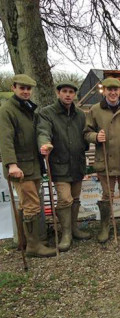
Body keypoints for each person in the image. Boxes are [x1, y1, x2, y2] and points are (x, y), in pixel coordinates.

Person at [0, 74, 56, 257]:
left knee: (27, 204)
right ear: (14, 87)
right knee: (31, 205)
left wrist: (44, 144)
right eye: (22, 88)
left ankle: (24, 241)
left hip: (33, 164)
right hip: (19, 168)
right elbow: (5, 139)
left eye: (28, 88)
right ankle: (34, 246)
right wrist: (11, 164)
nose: (26, 91)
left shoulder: (30, 109)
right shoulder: (7, 110)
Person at [84, 78, 120, 243]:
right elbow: (86, 132)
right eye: (109, 89)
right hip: (105, 160)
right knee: (106, 196)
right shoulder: (95, 110)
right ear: (104, 91)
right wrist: (96, 136)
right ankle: (105, 227)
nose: (112, 92)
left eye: (115, 89)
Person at [38, 82, 90, 251]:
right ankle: (65, 233)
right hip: (59, 165)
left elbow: (85, 134)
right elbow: (43, 131)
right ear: (58, 93)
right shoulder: (47, 113)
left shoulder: (81, 115)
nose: (68, 95)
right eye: (65, 92)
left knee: (75, 199)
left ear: (74, 95)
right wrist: (45, 144)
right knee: (65, 199)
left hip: (77, 164)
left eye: (71, 92)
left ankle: (74, 228)